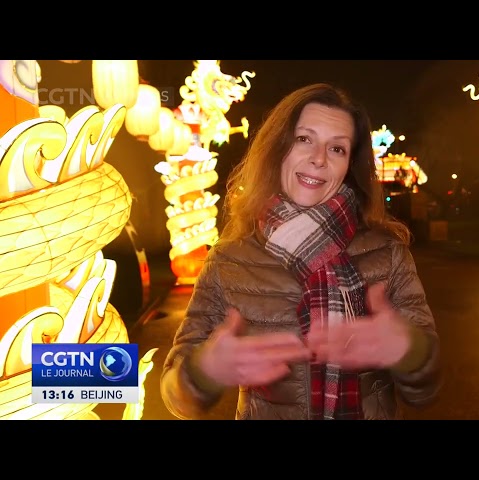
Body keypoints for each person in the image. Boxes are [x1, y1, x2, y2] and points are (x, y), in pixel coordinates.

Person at [160, 82, 441, 420]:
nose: (319, 159)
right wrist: (203, 371)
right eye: (304, 139)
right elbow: (176, 396)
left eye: (337, 149)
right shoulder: (229, 260)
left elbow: (426, 391)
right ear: (279, 147)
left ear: (349, 165)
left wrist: (410, 351)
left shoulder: (389, 253)